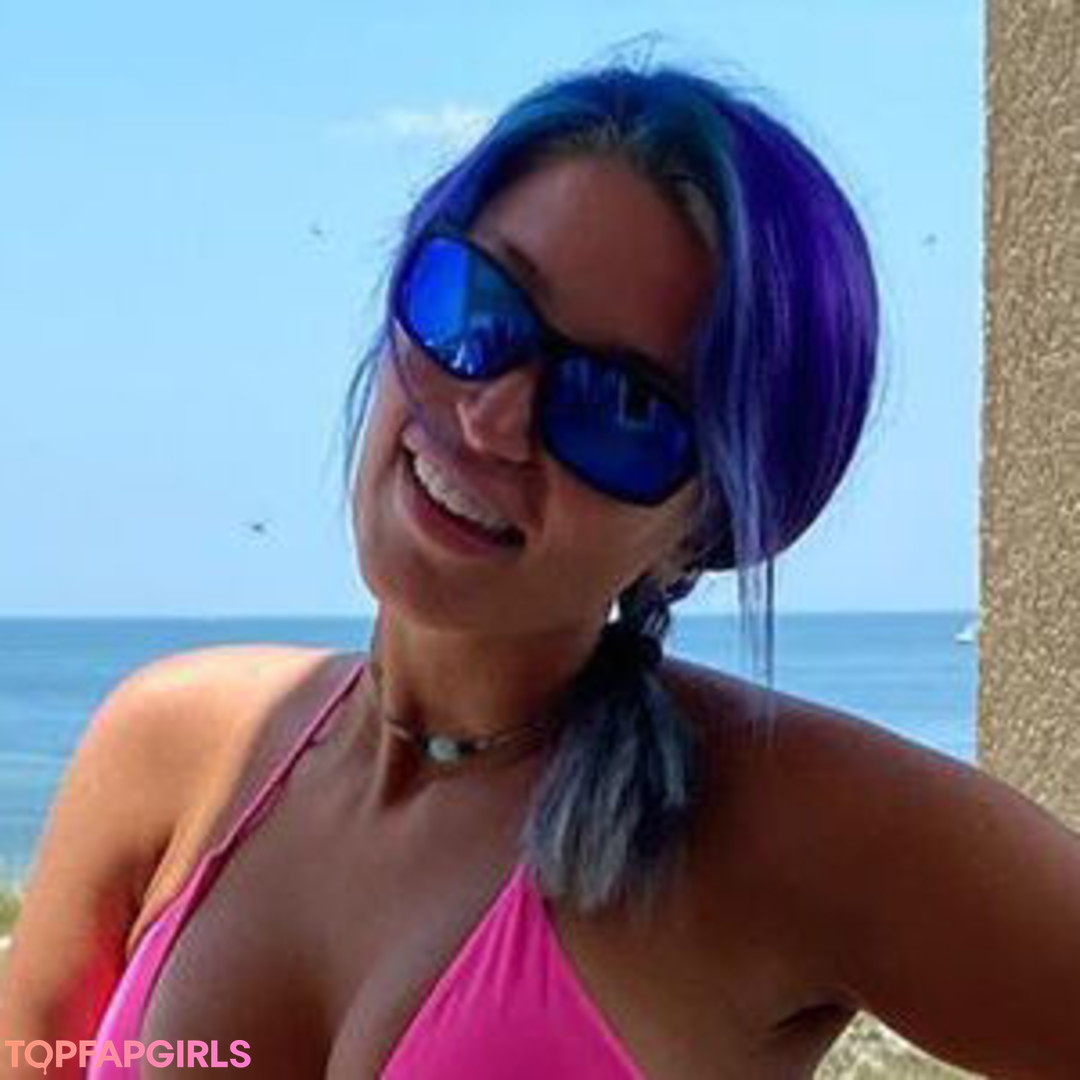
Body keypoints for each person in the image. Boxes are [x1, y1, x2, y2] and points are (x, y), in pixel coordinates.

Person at [2, 58, 1079, 1080]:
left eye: (620, 407)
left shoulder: (774, 829)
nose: (491, 418)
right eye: (478, 311)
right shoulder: (173, 752)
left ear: (706, 528)